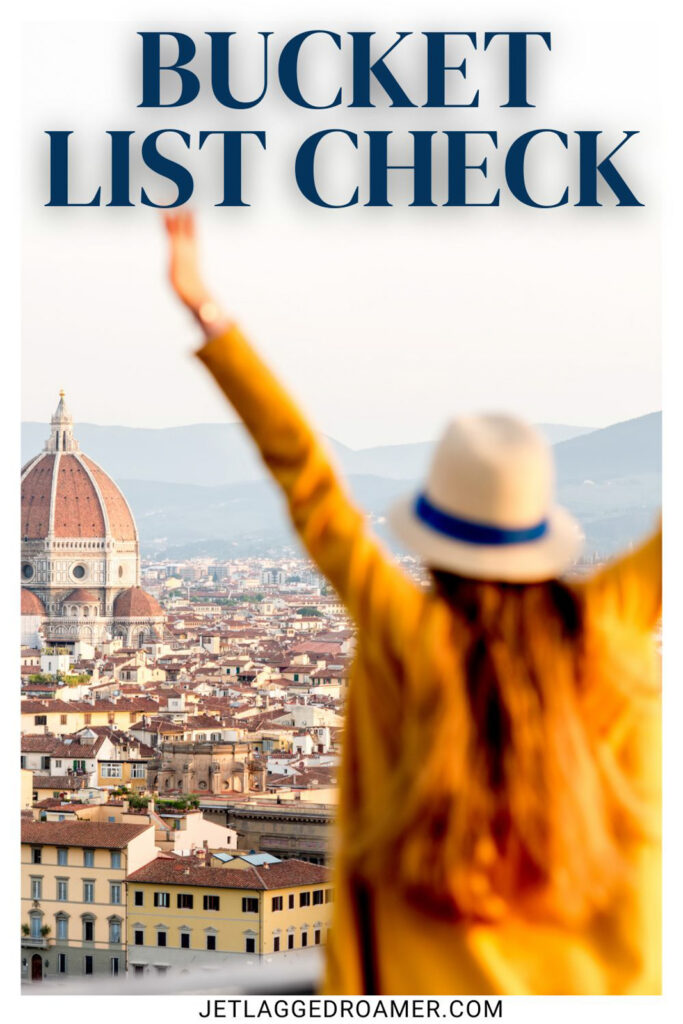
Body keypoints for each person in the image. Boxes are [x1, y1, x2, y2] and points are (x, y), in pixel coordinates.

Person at [162, 211, 661, 996]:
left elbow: (311, 487)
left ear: (436, 537)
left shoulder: (411, 634)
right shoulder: (607, 629)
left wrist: (207, 313)